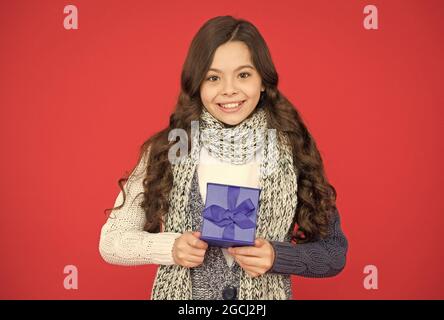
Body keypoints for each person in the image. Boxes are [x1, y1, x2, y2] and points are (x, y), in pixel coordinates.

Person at [99, 15, 348, 300]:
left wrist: (277, 257)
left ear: (263, 81)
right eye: (213, 77)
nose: (229, 89)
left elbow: (333, 253)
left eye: (243, 74)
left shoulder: (292, 150)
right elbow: (112, 242)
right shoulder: (169, 149)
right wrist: (169, 248)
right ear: (197, 84)